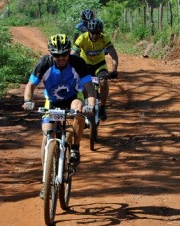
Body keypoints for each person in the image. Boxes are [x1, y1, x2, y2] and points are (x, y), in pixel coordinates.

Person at [23, 34, 96, 185]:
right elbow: (30, 85)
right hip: (52, 102)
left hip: (72, 99)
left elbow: (89, 87)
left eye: (64, 54)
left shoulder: (78, 63)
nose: (61, 57)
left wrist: (91, 104)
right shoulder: (45, 63)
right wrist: (28, 100)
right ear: (50, 53)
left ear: (70, 51)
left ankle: (75, 148)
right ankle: (46, 180)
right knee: (47, 136)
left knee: (79, 109)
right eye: (56, 54)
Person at [71, 18, 119, 121]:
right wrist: (70, 69)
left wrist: (114, 70)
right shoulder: (82, 38)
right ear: (88, 31)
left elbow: (114, 55)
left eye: (98, 33)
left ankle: (102, 108)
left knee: (104, 81)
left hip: (99, 65)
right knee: (84, 86)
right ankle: (84, 106)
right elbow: (73, 55)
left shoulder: (104, 38)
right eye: (92, 32)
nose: (95, 35)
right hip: (85, 65)